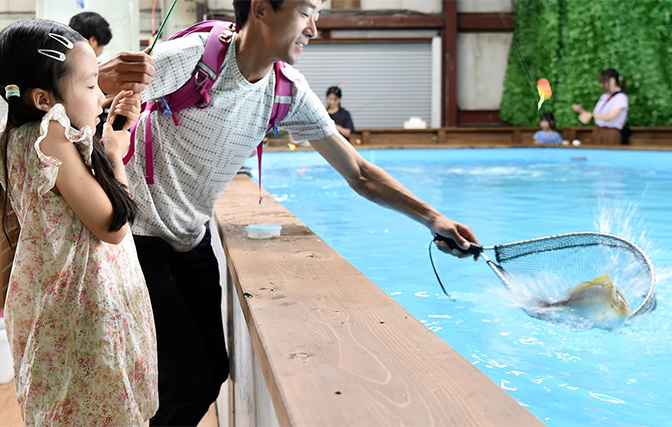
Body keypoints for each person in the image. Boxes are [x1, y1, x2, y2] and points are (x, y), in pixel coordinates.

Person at [97, 0, 479, 425]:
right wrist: (100, 76)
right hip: (138, 237)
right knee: (183, 381)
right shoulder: (191, 57)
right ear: (261, 10)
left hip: (190, 237)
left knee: (211, 374)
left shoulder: (288, 92)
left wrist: (432, 218)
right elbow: (89, 99)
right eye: (305, 12)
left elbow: (360, 173)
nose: (314, 28)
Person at [0, 19, 157, 425]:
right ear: (44, 99)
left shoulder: (19, 134)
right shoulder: (51, 139)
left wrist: (104, 134)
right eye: (91, 84)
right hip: (83, 310)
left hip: (57, 304)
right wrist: (115, 151)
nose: (101, 97)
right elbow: (112, 228)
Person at [572, 68, 629, 145]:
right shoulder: (605, 96)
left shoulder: (621, 97)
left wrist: (591, 115)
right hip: (598, 132)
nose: (601, 85)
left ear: (612, 80)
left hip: (610, 134)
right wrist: (582, 111)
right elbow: (597, 116)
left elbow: (611, 116)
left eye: (603, 82)